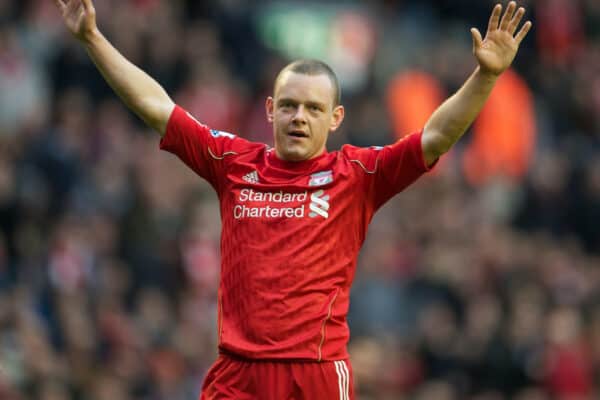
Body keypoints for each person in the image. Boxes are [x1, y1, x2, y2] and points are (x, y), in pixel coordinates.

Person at [53, 0, 532, 398]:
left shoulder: (357, 174)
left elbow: (436, 137)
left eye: (313, 108)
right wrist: (93, 38)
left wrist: (485, 77)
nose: (299, 117)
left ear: (336, 118)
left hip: (315, 373)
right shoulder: (233, 162)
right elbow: (158, 107)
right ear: (270, 110)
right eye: (289, 105)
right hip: (237, 374)